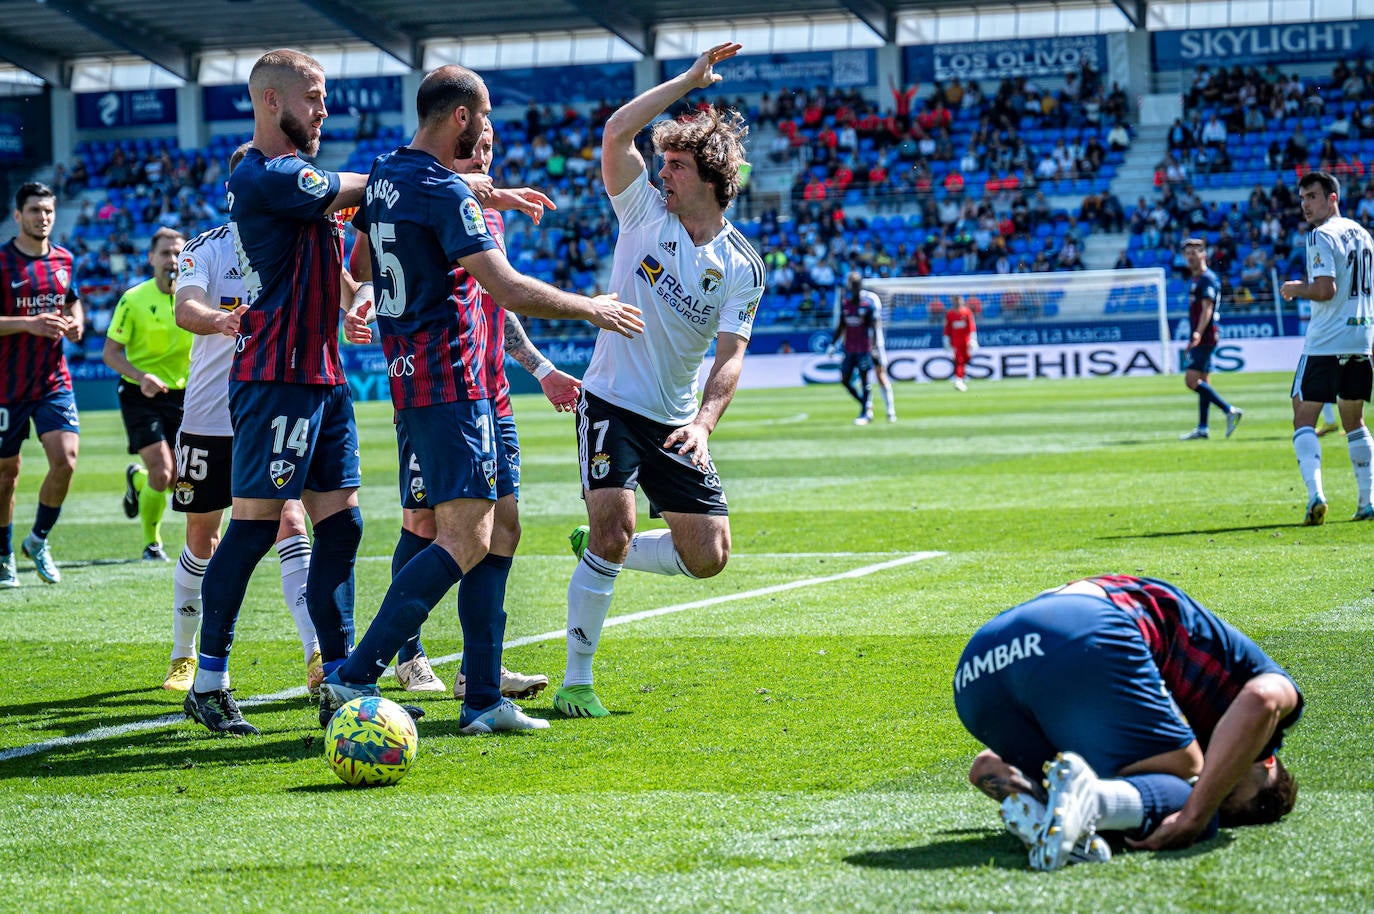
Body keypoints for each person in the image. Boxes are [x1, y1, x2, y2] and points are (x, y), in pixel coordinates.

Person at [318, 64, 643, 735]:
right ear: (461, 117)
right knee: (463, 538)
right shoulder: (443, 191)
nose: (488, 129)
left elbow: (400, 227)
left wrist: (490, 193)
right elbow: (508, 287)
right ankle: (355, 673)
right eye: (484, 116)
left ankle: (483, 698)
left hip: (450, 383)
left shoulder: (385, 173)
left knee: (504, 528)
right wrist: (591, 308)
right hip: (450, 381)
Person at [557, 43, 764, 719]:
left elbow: (731, 355)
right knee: (616, 530)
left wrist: (702, 426)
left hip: (674, 418)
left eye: (675, 164)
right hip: (612, 403)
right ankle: (577, 680)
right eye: (664, 163)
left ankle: (599, 546)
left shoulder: (741, 265)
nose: (663, 172)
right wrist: (688, 82)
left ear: (709, 178)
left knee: (709, 556)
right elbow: (617, 133)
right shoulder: (644, 213)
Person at [346, 121, 574, 699]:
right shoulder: (427, 192)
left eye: (494, 147)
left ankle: (481, 677)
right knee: (428, 526)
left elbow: (496, 303)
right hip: (439, 383)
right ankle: (401, 656)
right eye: (479, 142)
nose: (486, 155)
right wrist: (367, 298)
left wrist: (540, 370)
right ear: (458, 132)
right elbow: (367, 260)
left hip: (488, 390)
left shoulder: (483, 209)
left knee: (502, 529)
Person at [185, 48, 370, 737]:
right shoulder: (261, 173)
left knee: (342, 524)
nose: (324, 109)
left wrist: (356, 296)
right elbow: (340, 191)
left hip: (323, 374)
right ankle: (208, 682)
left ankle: (341, 680)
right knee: (256, 526)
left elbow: (331, 247)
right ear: (272, 102)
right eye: (314, 97)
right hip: (276, 377)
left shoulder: (302, 179)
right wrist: (408, 171)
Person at [955, 574, 1302, 871]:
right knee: (1185, 781)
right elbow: (1263, 700)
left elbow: (985, 765)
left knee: (1098, 781)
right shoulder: (1268, 701)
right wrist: (1197, 812)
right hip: (1078, 629)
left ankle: (1043, 813)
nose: (1213, 785)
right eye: (1228, 786)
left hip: (977, 669)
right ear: (1266, 759)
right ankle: (1089, 803)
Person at [166, 143, 323, 695]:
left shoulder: (291, 243)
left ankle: (316, 653)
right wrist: (221, 320)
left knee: (290, 521)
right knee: (203, 536)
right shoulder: (206, 248)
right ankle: (186, 653)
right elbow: (185, 308)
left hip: (270, 408)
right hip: (210, 416)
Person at [0, 182, 83, 587]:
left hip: (52, 380)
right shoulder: (1, 263)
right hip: (5, 386)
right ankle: (3, 553)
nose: (43, 217)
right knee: (5, 476)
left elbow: (71, 299)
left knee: (65, 461)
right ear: (18, 216)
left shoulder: (64, 258)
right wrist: (28, 325)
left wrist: (76, 321)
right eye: (34, 210)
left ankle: (39, 539)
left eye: (48, 210)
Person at [1280, 170, 1374, 525]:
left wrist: (1294, 288)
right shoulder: (1364, 235)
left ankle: (1316, 496)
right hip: (1360, 338)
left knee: (1303, 415)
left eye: (1313, 197)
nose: (1305, 205)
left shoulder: (1321, 236)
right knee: (1355, 421)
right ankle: (1367, 502)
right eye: (1302, 198)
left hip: (1326, 341)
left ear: (1333, 198)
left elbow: (1324, 289)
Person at [102, 227, 190, 561]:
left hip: (182, 396)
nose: (173, 259)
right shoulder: (133, 298)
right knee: (163, 471)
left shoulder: (195, 297)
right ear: (151, 257)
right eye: (166, 253)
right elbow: (110, 354)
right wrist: (142, 377)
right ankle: (152, 544)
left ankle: (138, 483)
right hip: (140, 394)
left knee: (175, 483)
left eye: (179, 252)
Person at [1178, 238, 1243, 441]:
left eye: (1194, 252)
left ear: (1203, 255)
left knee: (1191, 380)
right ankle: (1203, 428)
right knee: (1203, 381)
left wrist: (1197, 333)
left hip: (1206, 336)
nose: (1190, 257)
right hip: (1203, 334)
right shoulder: (1196, 279)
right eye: (1187, 253)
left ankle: (1228, 410)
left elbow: (1207, 308)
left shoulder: (1207, 279)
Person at [829, 272, 877, 425]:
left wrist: (874, 348)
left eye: (856, 285)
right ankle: (866, 404)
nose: (854, 288)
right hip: (849, 349)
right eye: (852, 285)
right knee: (845, 380)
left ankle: (864, 414)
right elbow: (841, 326)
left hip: (863, 349)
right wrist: (832, 344)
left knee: (864, 381)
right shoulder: (845, 305)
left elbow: (874, 329)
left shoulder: (867, 305)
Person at [943, 294, 977, 392]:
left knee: (965, 359)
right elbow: (947, 328)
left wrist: (973, 339)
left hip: (966, 342)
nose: (958, 302)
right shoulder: (950, 314)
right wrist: (946, 340)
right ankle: (959, 380)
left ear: (962, 301)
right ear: (953, 302)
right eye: (956, 301)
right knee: (959, 361)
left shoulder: (967, 312)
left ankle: (961, 379)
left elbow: (971, 327)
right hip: (955, 342)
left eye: (959, 300)